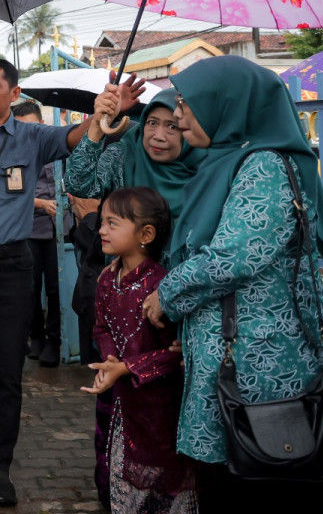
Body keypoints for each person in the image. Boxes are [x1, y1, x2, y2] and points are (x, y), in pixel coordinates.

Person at [0, 58, 143, 507]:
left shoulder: (33, 136)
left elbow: (77, 138)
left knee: (6, 372)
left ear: (12, 90)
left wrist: (104, 112)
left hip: (10, 267)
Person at [143, 56, 323, 512]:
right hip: (238, 364)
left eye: (189, 105)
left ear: (226, 105)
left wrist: (167, 294)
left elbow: (235, 257)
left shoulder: (263, 165)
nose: (181, 117)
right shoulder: (225, 163)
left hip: (266, 374)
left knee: (264, 488)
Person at [80, 187, 196, 513]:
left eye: (112, 223)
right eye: (102, 221)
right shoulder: (107, 280)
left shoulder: (161, 286)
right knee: (113, 474)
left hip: (156, 409)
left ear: (146, 233)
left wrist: (127, 369)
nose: (101, 230)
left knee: (159, 486)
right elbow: (101, 328)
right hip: (116, 403)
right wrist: (110, 360)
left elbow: (176, 352)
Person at [66, 87, 203, 267]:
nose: (158, 136)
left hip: (186, 288)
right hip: (126, 283)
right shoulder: (126, 155)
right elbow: (78, 183)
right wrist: (98, 125)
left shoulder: (210, 170)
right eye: (152, 123)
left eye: (172, 126)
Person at [11, 101, 70, 368]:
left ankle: (55, 341)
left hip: (61, 227)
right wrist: (40, 204)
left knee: (58, 287)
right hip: (30, 227)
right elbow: (11, 193)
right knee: (31, 286)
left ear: (42, 125)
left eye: (33, 126)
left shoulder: (59, 149)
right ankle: (36, 335)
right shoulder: (10, 155)